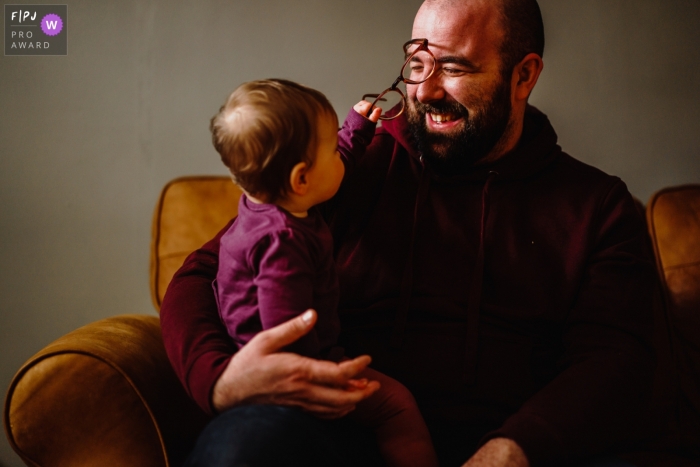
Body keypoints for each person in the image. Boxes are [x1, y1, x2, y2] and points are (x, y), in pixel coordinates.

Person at [160, 0, 657, 465]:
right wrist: (220, 380)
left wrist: (516, 447)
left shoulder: (597, 204)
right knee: (245, 445)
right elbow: (204, 274)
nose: (425, 90)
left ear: (523, 76)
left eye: (456, 68)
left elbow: (616, 359)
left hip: (504, 441)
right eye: (417, 64)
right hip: (332, 427)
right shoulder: (343, 168)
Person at [207, 78, 438, 467]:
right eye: (331, 148)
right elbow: (289, 328)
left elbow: (329, 174)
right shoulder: (283, 244)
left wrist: (355, 130)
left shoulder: (274, 201)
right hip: (296, 370)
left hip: (292, 360)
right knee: (396, 407)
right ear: (300, 178)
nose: (339, 153)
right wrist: (322, 381)